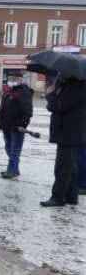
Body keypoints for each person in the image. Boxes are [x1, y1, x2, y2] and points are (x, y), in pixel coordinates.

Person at [41, 75, 86, 206]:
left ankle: (58, 197)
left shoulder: (77, 87)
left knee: (62, 167)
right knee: (70, 166)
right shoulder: (72, 85)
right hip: (68, 132)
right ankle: (71, 196)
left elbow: (60, 106)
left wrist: (50, 95)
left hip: (70, 132)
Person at [0, 71, 33, 179]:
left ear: (20, 80)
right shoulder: (9, 91)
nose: (12, 80)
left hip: (17, 127)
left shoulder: (24, 92)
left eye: (15, 78)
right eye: (10, 78)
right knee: (8, 148)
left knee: (14, 150)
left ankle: (11, 170)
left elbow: (28, 111)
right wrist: (0, 118)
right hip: (6, 125)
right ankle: (15, 169)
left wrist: (23, 124)